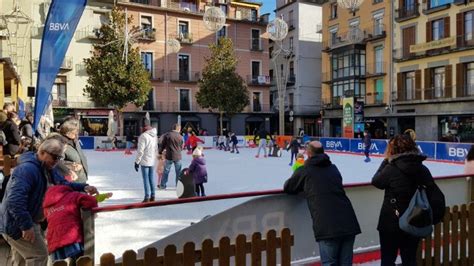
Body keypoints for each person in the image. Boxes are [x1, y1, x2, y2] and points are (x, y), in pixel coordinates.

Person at [0, 138, 98, 266]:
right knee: (39, 255)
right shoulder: (27, 170)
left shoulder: (46, 167)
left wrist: (83, 187)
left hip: (24, 220)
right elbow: (15, 201)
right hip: (16, 223)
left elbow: (62, 184)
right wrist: (26, 226)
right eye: (55, 157)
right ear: (42, 153)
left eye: (60, 158)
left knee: (22, 260)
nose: (57, 161)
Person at [284, 141, 361, 266]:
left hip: (327, 226)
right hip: (348, 222)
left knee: (329, 263)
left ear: (308, 153)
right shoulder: (333, 168)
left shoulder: (305, 170)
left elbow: (289, 187)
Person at [371, 134, 436, 266]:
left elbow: (376, 181)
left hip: (391, 222)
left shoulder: (391, 168)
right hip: (415, 218)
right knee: (410, 258)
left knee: (388, 259)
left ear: (392, 150)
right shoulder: (422, 169)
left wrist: (386, 160)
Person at [43, 185, 98, 263]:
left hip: (54, 240)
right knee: (80, 261)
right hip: (71, 236)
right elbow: (90, 201)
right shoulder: (72, 195)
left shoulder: (46, 205)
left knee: (59, 263)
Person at [59, 117, 89, 183]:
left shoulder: (75, 140)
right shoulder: (60, 143)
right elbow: (55, 162)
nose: (76, 134)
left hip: (81, 179)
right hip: (71, 181)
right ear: (67, 130)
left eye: (77, 131)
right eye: (74, 132)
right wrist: (70, 165)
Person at [134, 122, 158, 202]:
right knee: (151, 178)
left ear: (144, 128)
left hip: (145, 161)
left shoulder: (143, 136)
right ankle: (153, 195)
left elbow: (140, 151)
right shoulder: (154, 136)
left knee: (146, 179)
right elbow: (156, 148)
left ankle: (147, 196)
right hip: (152, 160)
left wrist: (137, 162)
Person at [158, 123, 183, 189]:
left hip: (169, 156)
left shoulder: (168, 135)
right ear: (178, 129)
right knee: (178, 172)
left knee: (166, 171)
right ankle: (178, 186)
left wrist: (160, 152)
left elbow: (162, 145)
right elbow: (182, 147)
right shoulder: (180, 136)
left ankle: (163, 185)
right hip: (178, 156)